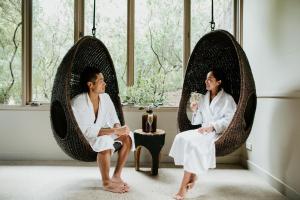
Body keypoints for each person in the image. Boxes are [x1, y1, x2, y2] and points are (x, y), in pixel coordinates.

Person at [169, 68, 237, 200]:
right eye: (206, 79)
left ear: (218, 82)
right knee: (180, 137)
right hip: (202, 130)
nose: (206, 81)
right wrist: (195, 111)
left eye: (210, 79)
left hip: (217, 133)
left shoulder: (228, 99)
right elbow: (198, 121)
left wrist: (212, 127)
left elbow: (230, 120)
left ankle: (183, 188)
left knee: (193, 146)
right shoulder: (203, 98)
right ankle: (193, 175)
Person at [71, 67, 135, 193]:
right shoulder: (79, 103)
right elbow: (87, 132)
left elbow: (114, 119)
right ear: (90, 85)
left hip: (100, 134)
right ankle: (106, 183)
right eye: (101, 81)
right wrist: (115, 131)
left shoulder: (105, 97)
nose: (104, 83)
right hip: (85, 139)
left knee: (128, 136)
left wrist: (119, 129)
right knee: (105, 141)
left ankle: (116, 176)